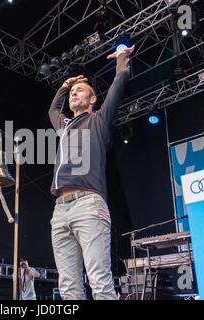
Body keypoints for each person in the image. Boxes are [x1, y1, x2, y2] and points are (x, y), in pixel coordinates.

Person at [48, 46, 134, 300]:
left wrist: (121, 58)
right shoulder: (64, 126)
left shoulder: (98, 120)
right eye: (73, 93)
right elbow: (53, 110)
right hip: (60, 210)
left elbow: (120, 82)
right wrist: (66, 85)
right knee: (68, 287)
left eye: (80, 91)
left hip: (88, 205)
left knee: (99, 281)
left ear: (92, 99)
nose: (75, 94)